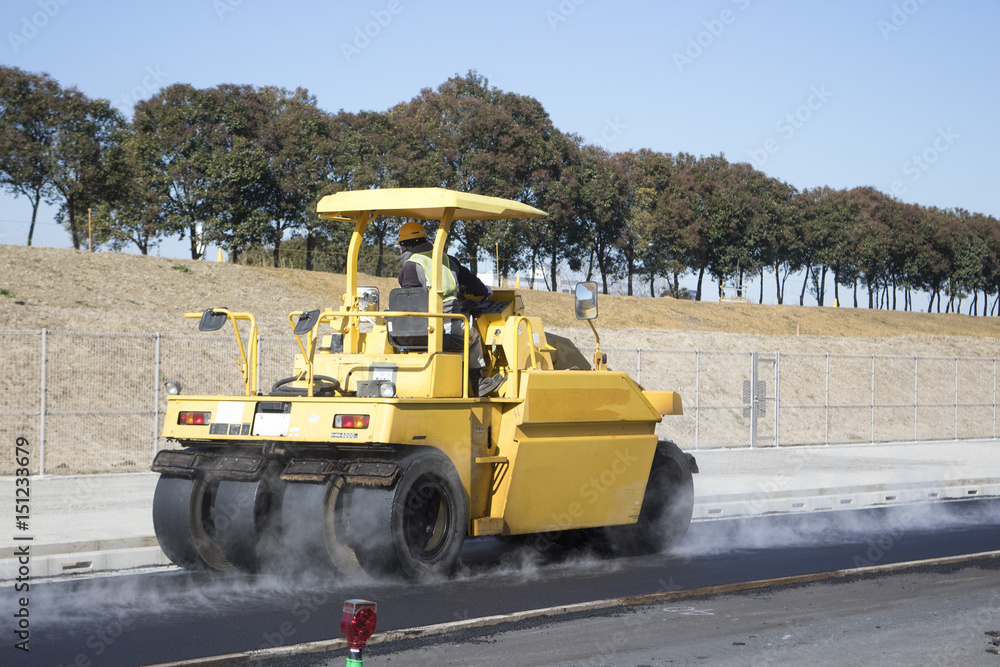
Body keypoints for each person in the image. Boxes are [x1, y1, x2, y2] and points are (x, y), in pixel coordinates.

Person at [396, 221, 505, 397]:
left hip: (416, 327)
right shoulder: (447, 260)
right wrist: (486, 291)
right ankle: (479, 383)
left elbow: (409, 299)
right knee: (474, 338)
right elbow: (470, 283)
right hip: (447, 323)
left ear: (405, 246)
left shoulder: (410, 265)